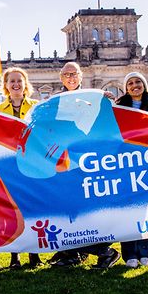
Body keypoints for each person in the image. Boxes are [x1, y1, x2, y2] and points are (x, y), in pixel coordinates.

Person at [49, 63, 120, 270]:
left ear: (81, 77)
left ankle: (105, 251)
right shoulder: (55, 101)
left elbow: (105, 124)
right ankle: (73, 254)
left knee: (88, 210)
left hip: (87, 162)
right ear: (61, 78)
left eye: (74, 74)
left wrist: (103, 99)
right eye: (66, 75)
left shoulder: (93, 97)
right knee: (68, 209)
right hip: (64, 162)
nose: (70, 78)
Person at [0, 67, 40, 269]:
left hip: (32, 165)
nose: (16, 84)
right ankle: (15, 255)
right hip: (10, 166)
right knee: (13, 212)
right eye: (11, 81)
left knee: (34, 210)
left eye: (19, 80)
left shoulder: (37, 107)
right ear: (6, 85)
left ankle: (35, 254)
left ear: (25, 83)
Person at [115, 72, 148, 268]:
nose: (135, 85)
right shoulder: (118, 110)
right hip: (126, 166)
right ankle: (130, 254)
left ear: (145, 85)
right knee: (129, 211)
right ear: (126, 88)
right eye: (131, 83)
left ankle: (146, 253)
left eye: (138, 82)